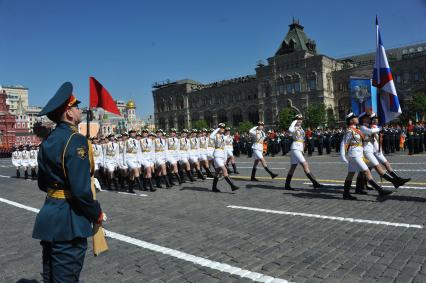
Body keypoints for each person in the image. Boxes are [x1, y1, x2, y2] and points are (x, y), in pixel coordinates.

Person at [32, 82, 105, 282]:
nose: (80, 110)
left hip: (49, 216)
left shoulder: (47, 141)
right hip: (69, 221)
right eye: (76, 106)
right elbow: (81, 190)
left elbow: (41, 184)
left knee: (51, 277)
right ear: (69, 114)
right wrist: (96, 212)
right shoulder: (76, 140)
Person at [340, 112, 392, 200]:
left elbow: (365, 139)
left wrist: (372, 137)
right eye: (355, 117)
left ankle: (345, 194)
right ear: (351, 120)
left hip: (358, 154)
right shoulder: (349, 130)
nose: (357, 118)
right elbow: (343, 143)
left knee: (351, 174)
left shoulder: (356, 130)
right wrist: (342, 156)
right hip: (354, 154)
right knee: (367, 171)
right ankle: (380, 190)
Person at [284, 114, 323, 190]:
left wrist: (303, 149)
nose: (300, 120)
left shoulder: (301, 128)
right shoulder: (294, 127)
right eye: (298, 119)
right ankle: (315, 183)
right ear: (295, 120)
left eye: (301, 119)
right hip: (295, 147)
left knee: (293, 167)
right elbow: (290, 130)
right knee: (305, 164)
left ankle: (287, 185)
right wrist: (293, 122)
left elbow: (303, 139)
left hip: (299, 148)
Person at [210, 123, 240, 192]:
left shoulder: (223, 136)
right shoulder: (215, 135)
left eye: (223, 128)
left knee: (217, 172)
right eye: (221, 128)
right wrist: (217, 129)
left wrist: (225, 159)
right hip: (217, 155)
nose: (222, 129)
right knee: (224, 170)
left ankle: (214, 187)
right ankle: (232, 186)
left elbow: (225, 149)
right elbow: (211, 136)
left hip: (222, 156)